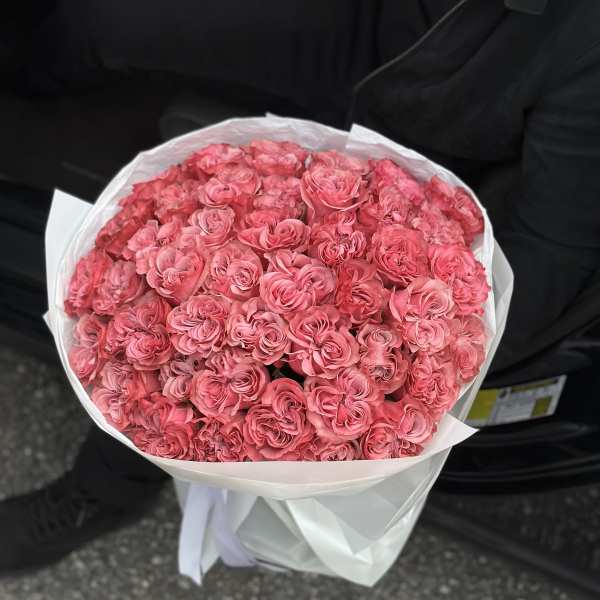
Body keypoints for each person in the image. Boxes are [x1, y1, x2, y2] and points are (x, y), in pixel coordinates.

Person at [1, 0, 599, 572]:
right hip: (360, 26)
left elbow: (551, 250)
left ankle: (104, 492)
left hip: (431, 143)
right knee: (102, 19)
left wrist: (418, 353)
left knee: (179, 376)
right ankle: (30, 74)